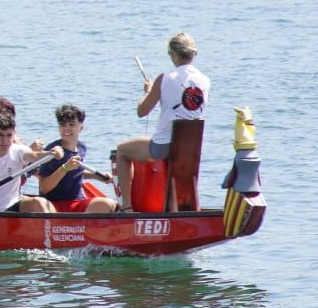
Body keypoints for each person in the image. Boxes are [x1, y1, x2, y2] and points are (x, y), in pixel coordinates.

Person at [114, 32, 210, 211]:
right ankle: (183, 208)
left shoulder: (164, 78)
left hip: (163, 146)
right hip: (190, 148)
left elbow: (142, 111)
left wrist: (148, 91)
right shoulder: (205, 81)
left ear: (173, 54)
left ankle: (126, 207)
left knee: (122, 151)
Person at [38, 104, 118, 214]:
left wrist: (98, 177)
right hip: (53, 204)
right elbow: (44, 188)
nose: (66, 128)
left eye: (71, 124)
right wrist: (65, 168)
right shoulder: (53, 151)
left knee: (108, 204)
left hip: (76, 202)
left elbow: (75, 172)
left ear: (81, 127)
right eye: (62, 125)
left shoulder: (82, 148)